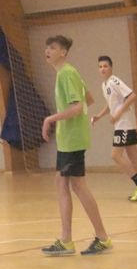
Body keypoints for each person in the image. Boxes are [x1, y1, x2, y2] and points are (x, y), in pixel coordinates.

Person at [40, 35, 112, 256]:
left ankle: (96, 238)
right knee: (63, 183)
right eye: (47, 47)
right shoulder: (69, 73)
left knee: (76, 186)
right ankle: (70, 240)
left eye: (53, 47)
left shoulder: (66, 74)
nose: (48, 51)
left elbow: (78, 107)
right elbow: (89, 99)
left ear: (63, 52)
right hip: (70, 138)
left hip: (72, 139)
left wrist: (50, 119)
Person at [91, 55, 137, 202]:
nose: (102, 69)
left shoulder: (114, 81)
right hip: (123, 125)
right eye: (100, 67)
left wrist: (118, 114)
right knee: (133, 156)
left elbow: (132, 96)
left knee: (115, 155)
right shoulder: (104, 85)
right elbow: (111, 105)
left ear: (111, 68)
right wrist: (99, 116)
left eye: (105, 66)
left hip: (124, 124)